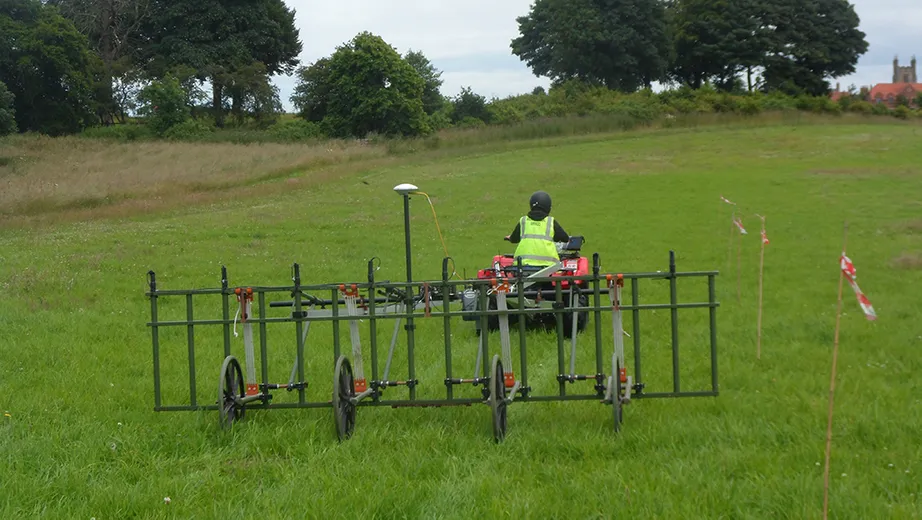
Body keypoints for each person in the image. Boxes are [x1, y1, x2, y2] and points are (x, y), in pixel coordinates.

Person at [505, 190, 570, 267]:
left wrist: (510, 238)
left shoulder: (523, 221)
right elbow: (565, 238)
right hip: (548, 266)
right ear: (548, 207)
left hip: (523, 265)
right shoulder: (550, 222)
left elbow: (514, 239)